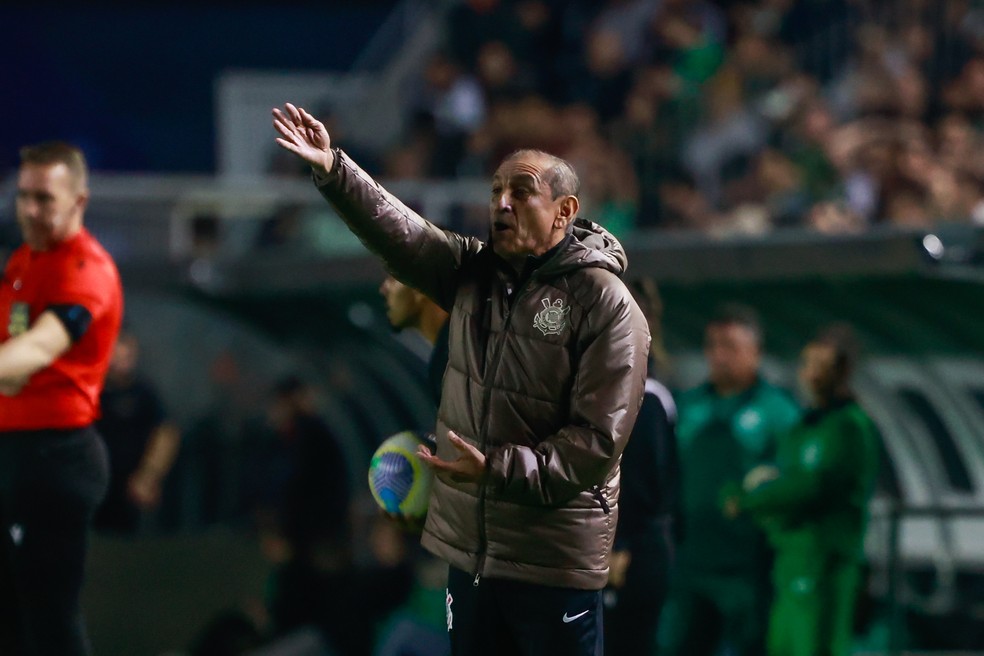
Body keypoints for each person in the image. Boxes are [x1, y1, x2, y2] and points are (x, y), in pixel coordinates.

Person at [273, 102, 650, 656]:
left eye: (521, 191)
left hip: (553, 563)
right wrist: (334, 169)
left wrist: (495, 469)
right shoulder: (473, 273)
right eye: (496, 189)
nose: (501, 203)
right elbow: (402, 233)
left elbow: (596, 444)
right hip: (471, 557)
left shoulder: (606, 305)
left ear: (565, 210)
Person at [0, 141, 124, 655]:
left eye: (44, 199)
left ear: (79, 201)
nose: (30, 210)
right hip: (15, 452)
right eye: (23, 196)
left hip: (55, 460)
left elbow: (34, 351)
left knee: (49, 616)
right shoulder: (25, 261)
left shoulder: (86, 271)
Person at [724, 324, 879, 656]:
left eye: (823, 365)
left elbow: (810, 488)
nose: (812, 374)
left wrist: (749, 501)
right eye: (808, 364)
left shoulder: (850, 427)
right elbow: (785, 481)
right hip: (789, 565)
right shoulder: (804, 426)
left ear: (843, 371)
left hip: (824, 569)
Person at [659, 303, 800, 656]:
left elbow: (794, 485)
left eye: (731, 347)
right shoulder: (688, 406)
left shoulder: (778, 412)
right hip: (691, 562)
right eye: (713, 346)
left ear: (756, 353)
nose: (720, 356)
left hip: (750, 569)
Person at [604, 277, 681, 656]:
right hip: (631, 546)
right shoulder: (627, 390)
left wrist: (623, 545)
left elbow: (643, 486)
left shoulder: (646, 398)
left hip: (633, 552)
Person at [94, 330, 181, 534]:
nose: (122, 357)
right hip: (96, 484)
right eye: (116, 349)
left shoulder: (144, 393)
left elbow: (166, 434)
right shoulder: (94, 389)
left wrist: (149, 475)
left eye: (127, 350)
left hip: (131, 490)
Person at [379, 274, 450, 406]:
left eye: (393, 278)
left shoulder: (455, 359)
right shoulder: (452, 353)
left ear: (420, 289)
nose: (383, 289)